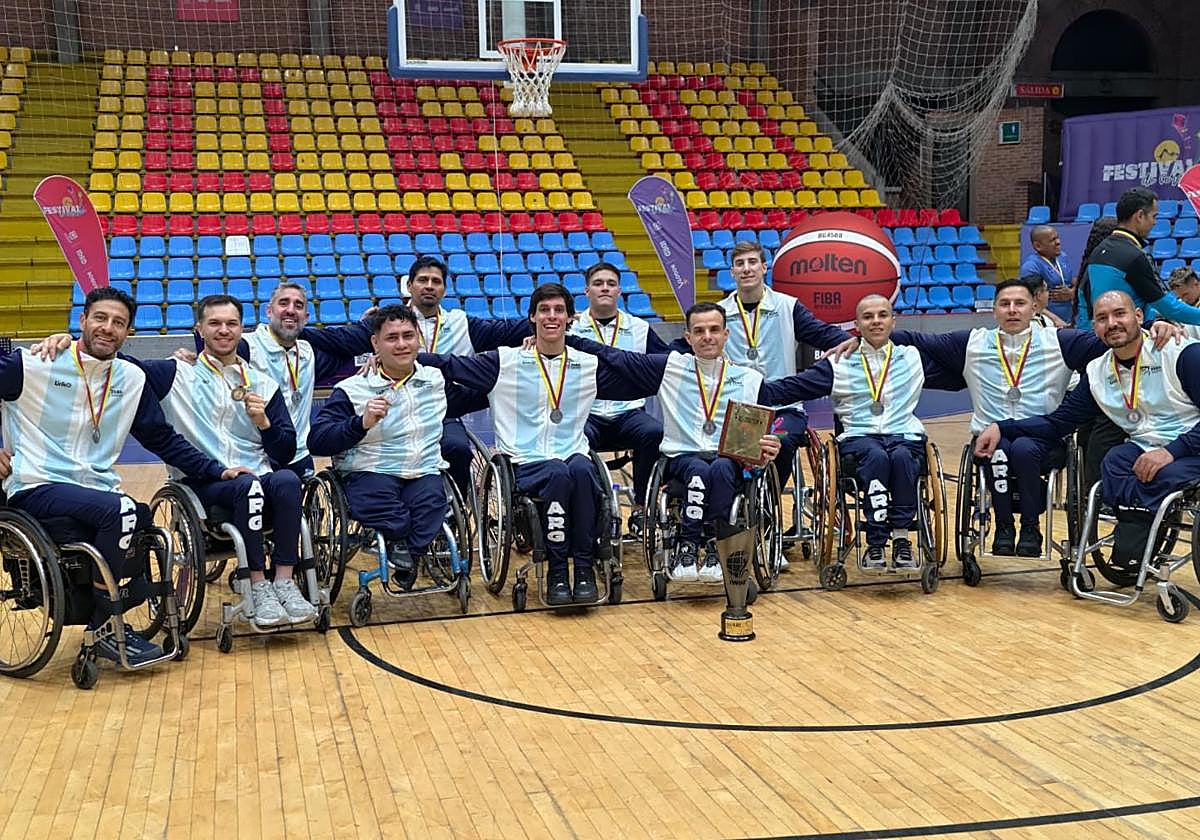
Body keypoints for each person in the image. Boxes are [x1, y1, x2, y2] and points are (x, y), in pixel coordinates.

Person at [2, 288, 243, 664]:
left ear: (128, 332)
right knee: (123, 512)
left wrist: (217, 470)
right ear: (82, 321)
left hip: (95, 491)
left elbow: (162, 438)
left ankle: (104, 618)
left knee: (140, 517)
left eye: (118, 323)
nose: (107, 328)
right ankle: (105, 627)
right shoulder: (35, 363)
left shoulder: (131, 378)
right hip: (37, 484)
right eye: (100, 318)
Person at [564, 302, 852, 583]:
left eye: (714, 329)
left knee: (722, 468)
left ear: (727, 334)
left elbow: (781, 406)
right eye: (699, 331)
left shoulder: (749, 379)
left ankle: (715, 548)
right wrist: (565, 338)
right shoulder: (669, 367)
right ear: (687, 337)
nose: (707, 337)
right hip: (682, 459)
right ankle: (687, 547)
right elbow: (615, 356)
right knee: (700, 470)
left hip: (729, 463)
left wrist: (772, 441)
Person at [415, 283, 612, 606]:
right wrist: (405, 356)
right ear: (531, 317)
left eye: (559, 310)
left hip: (571, 453)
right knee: (559, 474)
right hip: (525, 461)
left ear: (570, 318)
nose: (552, 316)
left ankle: (586, 568)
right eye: (544, 310)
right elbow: (450, 364)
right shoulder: (504, 361)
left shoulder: (585, 362)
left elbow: (636, 369)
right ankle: (559, 571)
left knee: (580, 469)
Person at [882, 279, 1109, 557]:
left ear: (1035, 308)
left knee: (1024, 449)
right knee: (1000, 451)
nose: (1012, 310)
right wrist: (852, 341)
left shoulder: (1061, 342)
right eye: (1005, 304)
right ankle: (1004, 528)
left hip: (1044, 439)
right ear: (994, 310)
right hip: (990, 442)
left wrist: (1156, 329)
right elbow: (916, 340)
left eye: (1020, 303)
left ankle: (1030, 528)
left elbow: (1113, 341)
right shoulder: (972, 343)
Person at [975, 290, 1200, 566]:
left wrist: (1171, 452)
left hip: (1192, 446)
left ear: (1139, 316)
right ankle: (1136, 528)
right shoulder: (1098, 372)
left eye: (1120, 314)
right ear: (1094, 327)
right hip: (1146, 448)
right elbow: (1058, 423)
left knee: (1160, 472)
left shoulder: (1180, 353)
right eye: (1102, 318)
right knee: (1114, 461)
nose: (1112, 323)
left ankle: (1136, 530)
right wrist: (1002, 427)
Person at [720, 295, 938, 569]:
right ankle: (875, 543)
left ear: (893, 320)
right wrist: (736, 388)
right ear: (856, 324)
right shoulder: (839, 362)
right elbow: (791, 387)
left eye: (883, 315)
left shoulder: (913, 357)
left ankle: (903, 539)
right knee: (877, 457)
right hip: (860, 439)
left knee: (904, 457)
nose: (876, 321)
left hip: (904, 436)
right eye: (868, 317)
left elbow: (956, 365)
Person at [308, 305, 487, 590]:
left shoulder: (435, 381)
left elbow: (476, 395)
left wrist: (523, 363)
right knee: (394, 516)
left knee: (432, 507)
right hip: (371, 471)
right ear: (375, 343)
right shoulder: (353, 389)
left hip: (422, 471)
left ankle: (408, 555)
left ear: (419, 339)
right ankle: (403, 549)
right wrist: (360, 423)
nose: (402, 344)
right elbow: (318, 440)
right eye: (392, 338)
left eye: (408, 336)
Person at [678, 240, 852, 510]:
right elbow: (681, 348)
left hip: (782, 408)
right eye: (740, 264)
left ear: (763, 267)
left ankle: (767, 512)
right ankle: (735, 510)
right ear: (732, 272)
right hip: (737, 409)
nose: (746, 269)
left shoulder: (788, 307)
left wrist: (859, 343)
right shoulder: (719, 314)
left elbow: (823, 334)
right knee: (725, 454)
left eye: (752, 262)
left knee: (779, 442)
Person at [405, 255, 533, 496]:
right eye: (423, 280)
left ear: (444, 289)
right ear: (410, 285)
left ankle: (456, 508)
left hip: (443, 411)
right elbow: (346, 342)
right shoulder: (389, 322)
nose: (430, 285)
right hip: (395, 411)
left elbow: (507, 332)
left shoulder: (461, 322)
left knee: (459, 448)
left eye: (436, 281)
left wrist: (550, 322)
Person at [568, 261, 668, 535]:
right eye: (598, 283)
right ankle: (597, 511)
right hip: (587, 414)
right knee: (572, 439)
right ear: (587, 290)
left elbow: (668, 360)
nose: (605, 288)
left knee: (654, 432)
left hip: (628, 414)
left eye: (611, 284)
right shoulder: (571, 328)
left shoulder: (639, 328)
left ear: (620, 291)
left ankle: (641, 508)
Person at [1077, 187, 1200, 331]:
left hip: (1101, 334)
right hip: (1126, 337)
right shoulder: (1134, 256)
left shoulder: (1098, 251)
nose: (1155, 222)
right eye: (1154, 216)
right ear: (1140, 216)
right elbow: (1168, 307)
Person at [1019, 225, 1073, 324]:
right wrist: (1055, 320)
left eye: (1057, 237)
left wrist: (1072, 292)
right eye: (1052, 240)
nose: (1058, 242)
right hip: (1048, 323)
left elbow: (1071, 280)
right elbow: (1029, 300)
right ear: (1038, 246)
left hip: (1070, 319)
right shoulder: (1031, 267)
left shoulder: (1062, 257)